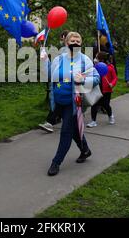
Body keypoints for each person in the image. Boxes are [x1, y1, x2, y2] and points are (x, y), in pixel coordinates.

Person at [41, 32, 100, 176]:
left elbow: (96, 78)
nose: (75, 42)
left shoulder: (85, 60)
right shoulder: (59, 59)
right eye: (72, 40)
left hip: (74, 103)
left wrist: (83, 81)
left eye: (77, 40)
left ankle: (56, 162)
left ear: (81, 43)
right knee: (73, 129)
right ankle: (85, 150)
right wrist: (44, 61)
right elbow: (48, 76)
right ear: (66, 43)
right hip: (59, 102)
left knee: (66, 131)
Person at [38, 30, 69, 133]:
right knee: (60, 101)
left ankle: (51, 122)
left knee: (58, 100)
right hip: (61, 81)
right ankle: (53, 121)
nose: (60, 40)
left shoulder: (68, 50)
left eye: (61, 38)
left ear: (64, 37)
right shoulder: (64, 51)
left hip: (63, 81)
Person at [87, 51, 118, 128]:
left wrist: (112, 84)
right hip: (97, 89)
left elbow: (115, 78)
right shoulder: (95, 67)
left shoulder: (110, 68)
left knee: (106, 105)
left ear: (102, 59)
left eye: (97, 57)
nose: (95, 59)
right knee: (94, 104)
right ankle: (93, 121)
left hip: (106, 90)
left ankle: (110, 116)